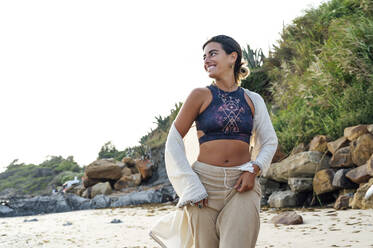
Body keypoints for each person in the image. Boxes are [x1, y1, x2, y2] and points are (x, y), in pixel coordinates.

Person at [149, 34, 278, 248]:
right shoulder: (199, 95)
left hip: (242, 185)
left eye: (213, 53)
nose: (206, 60)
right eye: (204, 57)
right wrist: (191, 185)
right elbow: (173, 140)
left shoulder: (253, 99)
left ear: (232, 57)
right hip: (204, 186)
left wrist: (253, 169)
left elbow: (270, 141)